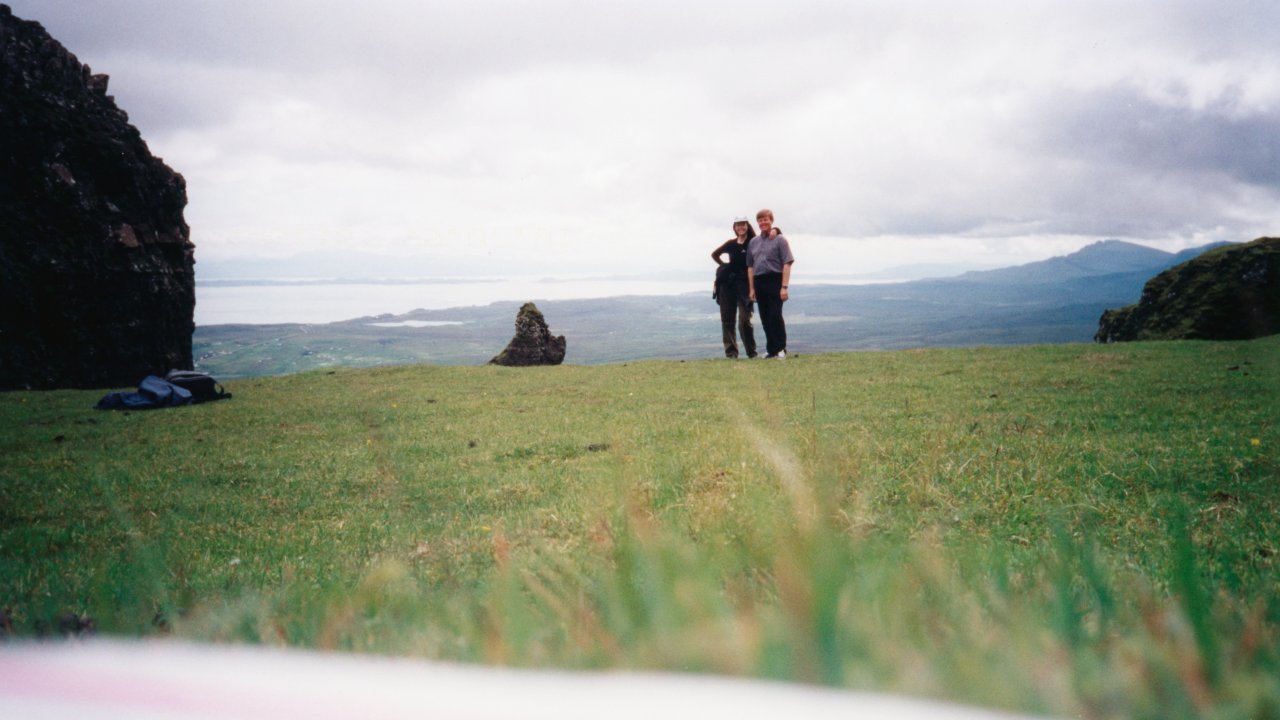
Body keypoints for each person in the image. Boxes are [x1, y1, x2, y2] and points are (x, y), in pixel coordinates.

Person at [746, 208, 794, 359]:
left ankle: (781, 348)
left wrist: (784, 287)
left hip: (775, 280)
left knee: (775, 315)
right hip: (759, 281)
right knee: (765, 317)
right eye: (760, 220)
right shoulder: (753, 242)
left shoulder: (780, 239)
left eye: (766, 219)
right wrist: (752, 288)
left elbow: (787, 262)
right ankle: (771, 349)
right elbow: (750, 267)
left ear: (771, 220)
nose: (763, 222)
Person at [711, 217, 758, 358]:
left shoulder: (753, 242)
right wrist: (725, 265)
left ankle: (751, 352)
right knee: (727, 319)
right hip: (728, 284)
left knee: (745, 320)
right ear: (734, 228)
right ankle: (731, 353)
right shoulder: (731, 243)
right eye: (737, 225)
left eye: (743, 224)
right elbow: (715, 254)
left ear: (747, 226)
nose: (740, 227)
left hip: (745, 285)